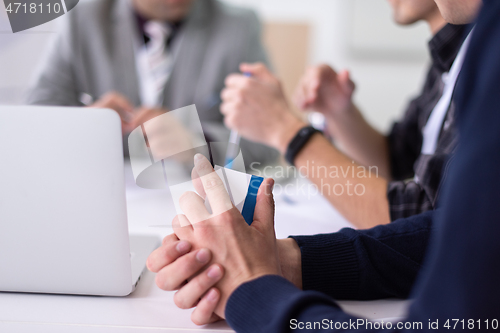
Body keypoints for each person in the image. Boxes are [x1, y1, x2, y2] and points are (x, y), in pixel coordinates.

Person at [145, 0, 500, 331]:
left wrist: (253, 291)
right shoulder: (464, 48)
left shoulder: (486, 43)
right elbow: (414, 185)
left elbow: (424, 209)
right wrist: (285, 261)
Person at [219, 0, 469, 228]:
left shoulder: (482, 63)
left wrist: (284, 129)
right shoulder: (447, 58)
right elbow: (396, 162)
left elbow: (419, 219)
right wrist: (338, 112)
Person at [26, 0, 277, 164]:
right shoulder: (80, 20)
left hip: (199, 206)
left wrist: (201, 145)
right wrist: (85, 125)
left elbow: (269, 140)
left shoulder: (239, 27)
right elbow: (34, 124)